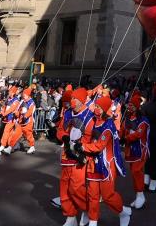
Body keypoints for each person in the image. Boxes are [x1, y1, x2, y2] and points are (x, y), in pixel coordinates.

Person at [82, 95, 131, 226]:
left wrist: (82, 147)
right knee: (92, 195)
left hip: (107, 165)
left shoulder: (108, 126)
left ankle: (123, 212)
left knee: (108, 195)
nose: (95, 108)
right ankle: (93, 221)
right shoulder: (93, 120)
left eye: (98, 106)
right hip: (93, 163)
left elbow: (99, 146)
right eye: (95, 106)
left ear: (104, 109)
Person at [56, 87, 92, 226]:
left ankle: (87, 210)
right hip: (66, 155)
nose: (71, 101)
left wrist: (81, 145)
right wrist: (64, 137)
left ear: (81, 101)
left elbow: (92, 136)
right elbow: (60, 130)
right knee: (64, 188)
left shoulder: (89, 115)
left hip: (80, 157)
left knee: (76, 188)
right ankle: (70, 217)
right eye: (71, 98)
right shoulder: (68, 113)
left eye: (74, 98)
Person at [121, 92, 149, 208]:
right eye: (129, 105)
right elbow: (122, 129)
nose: (129, 107)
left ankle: (141, 195)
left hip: (140, 149)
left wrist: (125, 138)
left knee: (137, 172)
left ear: (137, 107)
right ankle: (138, 195)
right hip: (131, 150)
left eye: (132, 105)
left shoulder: (143, 120)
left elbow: (139, 134)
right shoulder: (127, 118)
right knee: (134, 173)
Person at [4, 87, 37, 154]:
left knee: (28, 135)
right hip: (20, 121)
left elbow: (31, 111)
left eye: (24, 94)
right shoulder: (22, 101)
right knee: (15, 135)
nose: (23, 95)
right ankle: (9, 148)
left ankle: (32, 147)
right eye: (23, 94)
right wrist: (16, 113)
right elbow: (18, 109)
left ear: (28, 94)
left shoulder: (31, 103)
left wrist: (25, 115)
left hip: (28, 122)